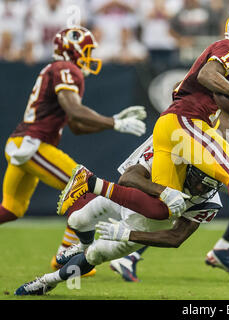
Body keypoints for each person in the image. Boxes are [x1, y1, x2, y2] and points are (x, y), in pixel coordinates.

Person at [58, 7, 229, 267]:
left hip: (171, 125)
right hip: (186, 121)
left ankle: (90, 183)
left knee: (161, 209)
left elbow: (215, 96)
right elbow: (206, 75)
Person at [109, 63, 229, 281]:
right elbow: (220, 132)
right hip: (196, 148)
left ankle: (222, 249)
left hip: (205, 147)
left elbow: (226, 131)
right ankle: (129, 252)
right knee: (176, 206)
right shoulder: (218, 84)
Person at [0, 26, 147, 275]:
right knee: (83, 187)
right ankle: (65, 258)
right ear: (74, 49)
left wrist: (112, 123)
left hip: (22, 143)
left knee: (11, 209)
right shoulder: (66, 69)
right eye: (87, 50)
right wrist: (114, 122)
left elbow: (77, 126)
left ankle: (67, 257)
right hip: (33, 144)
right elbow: (76, 110)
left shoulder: (57, 70)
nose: (90, 55)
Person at [14, 136, 223, 295]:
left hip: (142, 228)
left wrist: (127, 235)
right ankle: (83, 244)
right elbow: (127, 177)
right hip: (129, 199)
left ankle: (47, 282)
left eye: (208, 186)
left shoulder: (209, 201)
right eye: (200, 181)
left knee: (94, 256)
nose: (200, 189)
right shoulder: (171, 161)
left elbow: (176, 238)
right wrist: (163, 191)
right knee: (76, 220)